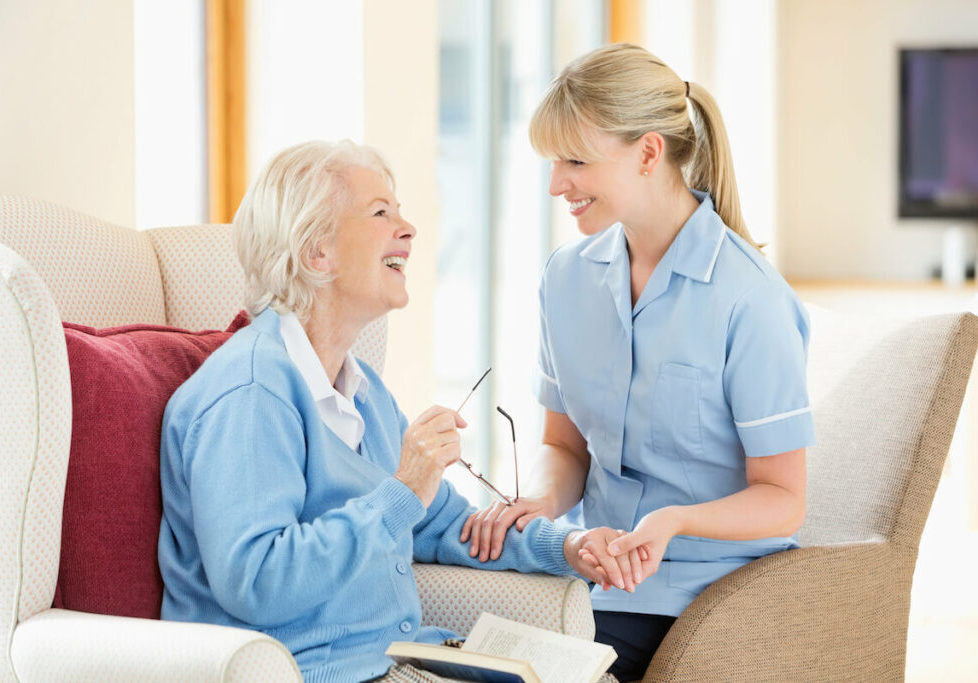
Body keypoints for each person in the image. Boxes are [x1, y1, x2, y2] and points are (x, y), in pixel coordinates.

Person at [157, 140, 633, 683]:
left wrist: (567, 546)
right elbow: (258, 581)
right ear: (318, 252)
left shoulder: (363, 392)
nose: (408, 229)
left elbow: (446, 525)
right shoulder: (249, 394)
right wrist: (403, 490)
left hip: (396, 660)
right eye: (381, 213)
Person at [461, 43, 814, 680]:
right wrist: (538, 500)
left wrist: (673, 522)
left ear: (649, 153)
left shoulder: (750, 299)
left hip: (712, 597)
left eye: (575, 161)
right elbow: (565, 447)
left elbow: (784, 498)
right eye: (551, 161)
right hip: (596, 582)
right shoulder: (566, 279)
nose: (555, 184)